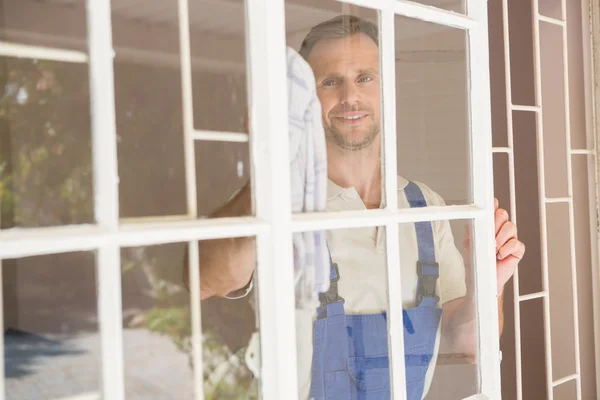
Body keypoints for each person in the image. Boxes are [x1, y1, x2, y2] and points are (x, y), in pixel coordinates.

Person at [188, 15, 525, 400]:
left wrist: (489, 282)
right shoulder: (282, 207)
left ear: (387, 90)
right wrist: (274, 173)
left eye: (365, 77)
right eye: (330, 81)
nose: (350, 96)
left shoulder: (424, 207)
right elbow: (203, 280)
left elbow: (467, 344)